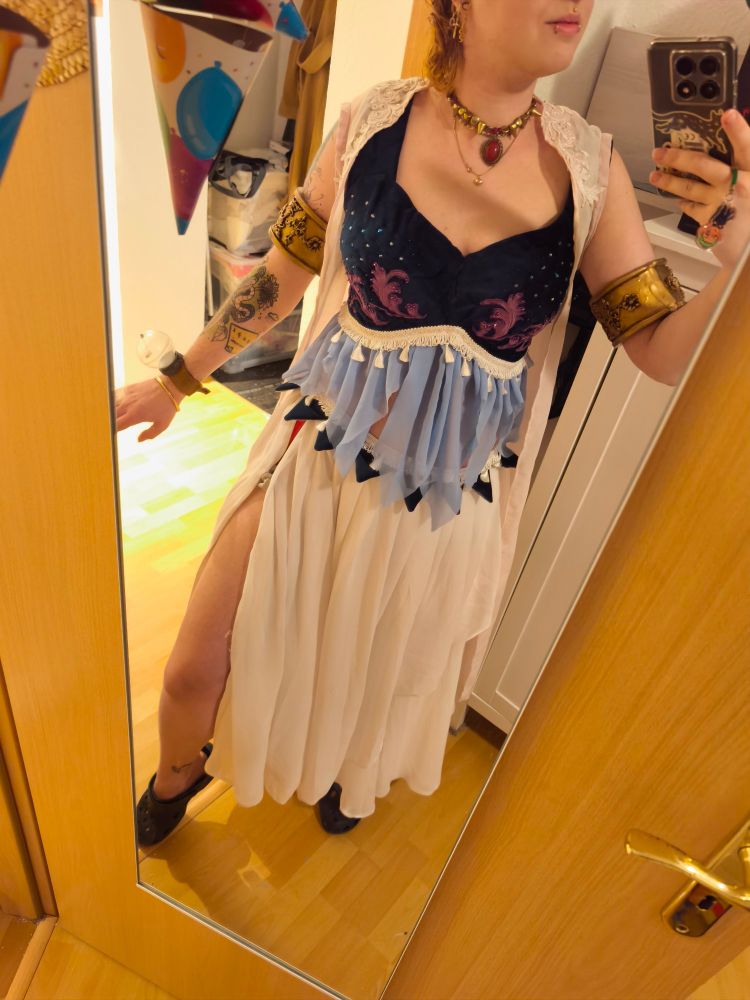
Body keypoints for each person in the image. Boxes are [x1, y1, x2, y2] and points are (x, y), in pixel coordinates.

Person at [116, 0, 750, 846]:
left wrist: (741, 259)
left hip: (444, 507)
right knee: (195, 669)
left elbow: (662, 353)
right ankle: (175, 774)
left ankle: (348, 776)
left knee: (374, 689)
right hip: (317, 457)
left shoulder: (591, 168)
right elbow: (283, 273)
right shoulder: (370, 121)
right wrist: (178, 378)